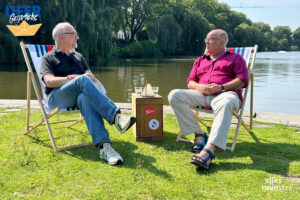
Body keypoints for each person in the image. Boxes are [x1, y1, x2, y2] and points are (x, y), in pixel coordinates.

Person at [40, 22, 136, 166]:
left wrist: (86, 77)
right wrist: (70, 79)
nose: (77, 37)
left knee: (84, 97)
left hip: (77, 96)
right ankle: (116, 117)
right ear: (61, 37)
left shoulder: (79, 56)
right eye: (73, 34)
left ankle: (105, 147)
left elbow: (89, 74)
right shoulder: (48, 58)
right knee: (82, 79)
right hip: (57, 97)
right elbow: (49, 81)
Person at [168, 29, 248, 170]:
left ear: (222, 42)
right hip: (202, 94)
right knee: (174, 95)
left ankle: (209, 149)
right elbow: (190, 82)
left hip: (225, 94)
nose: (206, 42)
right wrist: (200, 87)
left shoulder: (235, 58)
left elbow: (242, 80)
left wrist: (221, 87)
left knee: (226, 103)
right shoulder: (200, 60)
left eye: (209, 39)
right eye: (206, 39)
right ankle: (199, 134)